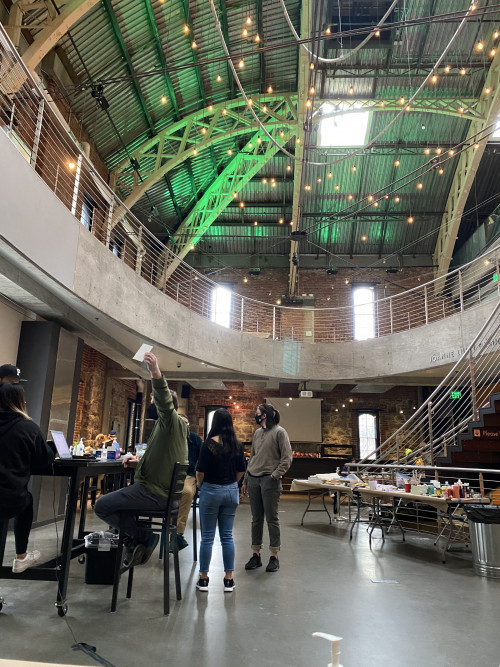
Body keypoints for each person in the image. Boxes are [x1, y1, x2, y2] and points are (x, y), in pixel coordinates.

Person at [94, 352, 188, 568]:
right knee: (119, 505)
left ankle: (143, 537)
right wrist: (139, 463)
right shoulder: (167, 430)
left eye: (154, 401)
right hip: (158, 491)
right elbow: (162, 459)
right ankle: (135, 540)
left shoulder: (170, 422)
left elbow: (164, 400)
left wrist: (155, 371)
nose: (152, 405)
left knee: (102, 506)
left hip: (154, 493)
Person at [0, 383, 55, 572]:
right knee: (26, 501)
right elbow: (44, 459)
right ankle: (21, 556)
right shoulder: (27, 427)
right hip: (8, 497)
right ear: (20, 402)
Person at [195, 408, 246, 593]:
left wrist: (201, 486)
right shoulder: (237, 445)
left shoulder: (208, 444)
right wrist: (234, 483)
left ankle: (204, 579)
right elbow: (242, 470)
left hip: (210, 490)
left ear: (214, 423)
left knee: (207, 537)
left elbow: (200, 471)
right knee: (227, 536)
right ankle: (229, 580)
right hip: (231, 492)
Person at [242, 403, 292, 573]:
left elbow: (287, 458)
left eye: (257, 413)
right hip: (254, 479)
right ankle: (255, 554)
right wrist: (246, 480)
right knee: (256, 518)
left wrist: (274, 476)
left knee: (272, 518)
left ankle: (274, 556)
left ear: (264, 415)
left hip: (269, 481)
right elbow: (252, 457)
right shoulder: (257, 433)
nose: (255, 415)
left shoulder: (280, 432)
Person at [170, 414, 202, 552]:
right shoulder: (169, 439)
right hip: (170, 474)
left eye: (186, 424)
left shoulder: (194, 439)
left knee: (186, 492)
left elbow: (202, 460)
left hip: (189, 474)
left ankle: (177, 533)